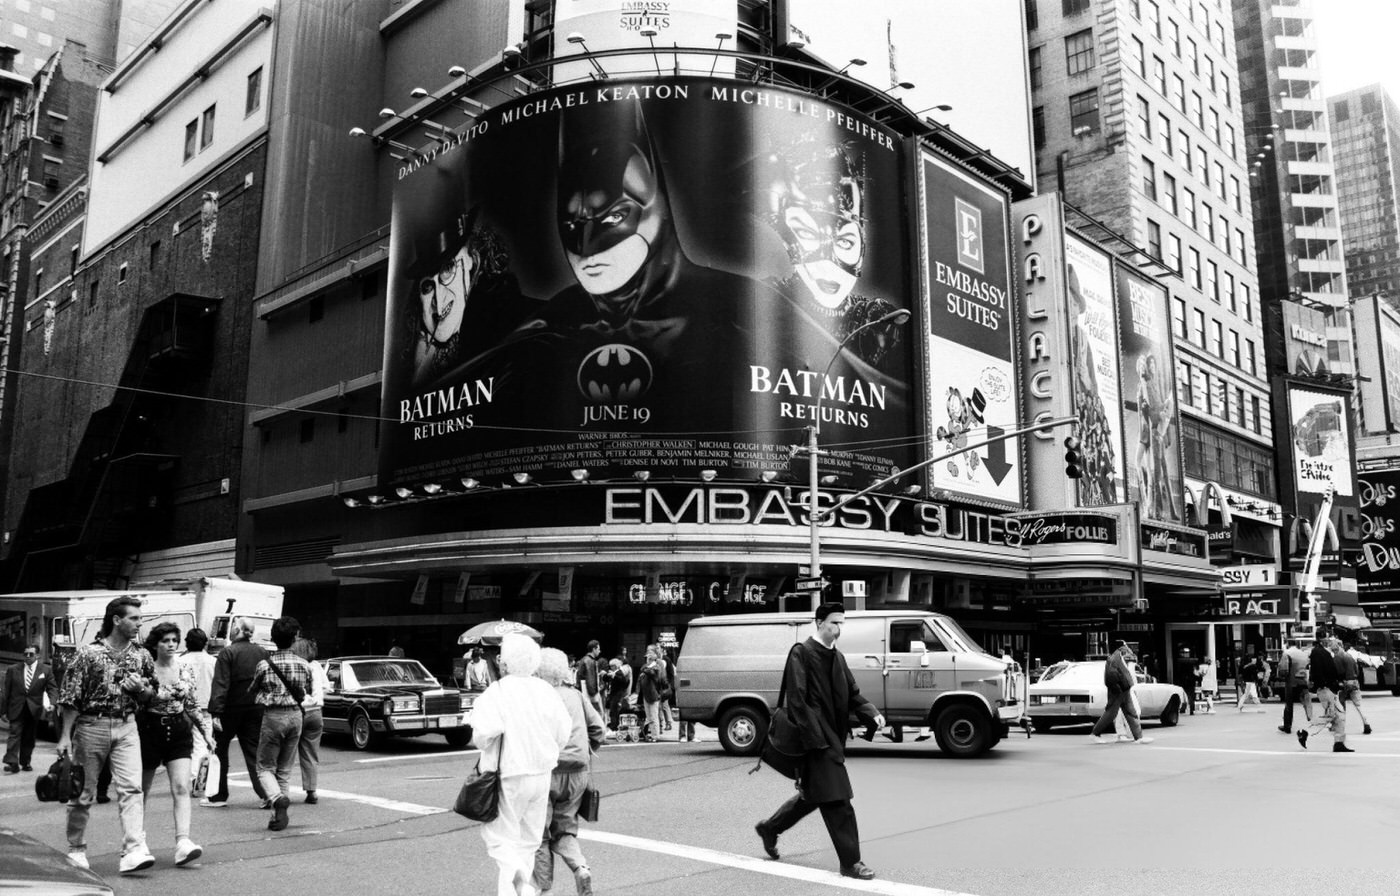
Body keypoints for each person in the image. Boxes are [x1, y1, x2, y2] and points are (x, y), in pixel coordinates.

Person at [754, 602, 884, 881]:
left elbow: (852, 694)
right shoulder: (801, 653)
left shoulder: (837, 657)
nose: (839, 629)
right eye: (834, 623)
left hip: (831, 738)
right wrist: (818, 741)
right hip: (814, 740)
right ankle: (851, 862)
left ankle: (770, 828)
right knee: (838, 799)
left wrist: (872, 712)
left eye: (842, 623)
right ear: (819, 622)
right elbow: (797, 701)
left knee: (814, 795)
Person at [55, 596, 158, 873]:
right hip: (92, 726)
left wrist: (140, 689)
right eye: (134, 618)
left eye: (140, 618)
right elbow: (70, 698)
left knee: (132, 788)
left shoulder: (142, 655)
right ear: (116, 620)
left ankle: (133, 849)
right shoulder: (88, 654)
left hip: (127, 725)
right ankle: (76, 849)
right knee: (83, 792)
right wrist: (65, 737)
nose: (139, 623)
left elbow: (153, 694)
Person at [469, 633, 571, 896]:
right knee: (528, 841)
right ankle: (518, 889)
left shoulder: (498, 691)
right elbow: (563, 733)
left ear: (504, 662)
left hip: (509, 773)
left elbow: (483, 735)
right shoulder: (546, 691)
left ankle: (520, 884)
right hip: (541, 772)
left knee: (499, 838)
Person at [531, 647, 605, 896]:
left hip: (546, 772)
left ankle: (544, 889)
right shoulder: (576, 696)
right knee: (565, 829)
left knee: (540, 833)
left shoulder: (537, 697)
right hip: (578, 772)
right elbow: (598, 729)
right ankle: (580, 867)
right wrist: (587, 749)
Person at [139, 623, 213, 866]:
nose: (171, 645)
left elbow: (191, 703)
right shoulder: (146, 669)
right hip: (150, 729)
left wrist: (205, 731)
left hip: (179, 729)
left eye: (174, 640)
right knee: (142, 790)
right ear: (156, 644)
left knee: (181, 787)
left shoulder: (185, 668)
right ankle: (136, 840)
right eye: (165, 640)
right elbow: (139, 701)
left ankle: (183, 842)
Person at [250, 616, 314, 831]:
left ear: (273, 638)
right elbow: (308, 690)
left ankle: (277, 799)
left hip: (273, 716)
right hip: (296, 716)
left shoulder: (264, 665)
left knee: (264, 767)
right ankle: (277, 816)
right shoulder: (304, 665)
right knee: (284, 769)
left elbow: (253, 690)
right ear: (295, 638)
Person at [2, 642, 55, 773]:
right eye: (25, 654)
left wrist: (52, 703)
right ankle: (12, 762)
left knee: (29, 737)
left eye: (31, 654)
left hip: (34, 708)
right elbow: (6, 692)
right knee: (14, 733)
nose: (28, 656)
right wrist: (2, 710)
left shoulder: (45, 670)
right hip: (16, 707)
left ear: (37, 655)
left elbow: (52, 689)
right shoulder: (13, 669)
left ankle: (25, 762)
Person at [179, 628, 216, 799]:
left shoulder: (179, 661)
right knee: (201, 743)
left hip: (183, 708)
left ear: (187, 643)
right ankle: (197, 779)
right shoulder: (213, 662)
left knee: (183, 745)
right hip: (205, 706)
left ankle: (183, 778)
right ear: (205, 643)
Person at [1090, 642, 1152, 745]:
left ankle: (1138, 737)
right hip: (1119, 689)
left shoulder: (1117, 657)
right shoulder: (1117, 658)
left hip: (1123, 688)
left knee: (1130, 712)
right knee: (1111, 713)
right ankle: (1095, 733)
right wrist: (1120, 688)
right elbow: (1113, 676)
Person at [290, 632, 326, 803]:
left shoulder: (294, 665)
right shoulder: (317, 666)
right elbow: (326, 687)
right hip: (316, 712)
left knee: (286, 754)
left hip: (297, 710)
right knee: (310, 754)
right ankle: (311, 791)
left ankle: (280, 791)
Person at [1299, 637, 1351, 752]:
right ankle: (1304, 731)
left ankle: (1338, 742)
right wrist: (1324, 684)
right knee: (1334, 716)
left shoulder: (1320, 653)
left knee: (1337, 716)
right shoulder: (1321, 653)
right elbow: (1321, 671)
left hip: (1326, 688)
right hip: (1326, 689)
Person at [1336, 642, 1372, 736]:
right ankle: (1366, 724)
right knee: (1358, 705)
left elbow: (1339, 671)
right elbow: (1357, 671)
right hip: (1354, 682)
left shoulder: (1337, 657)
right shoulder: (1350, 657)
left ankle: (1340, 727)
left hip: (1344, 683)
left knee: (1341, 706)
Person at [1278, 640, 1313, 734]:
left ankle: (1287, 726)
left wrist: (1282, 677)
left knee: (1289, 705)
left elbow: (1283, 669)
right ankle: (1311, 720)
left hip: (1291, 681)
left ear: (1288, 644)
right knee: (1306, 702)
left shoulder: (1287, 653)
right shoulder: (1303, 654)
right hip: (1303, 680)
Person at [638, 646, 667, 742]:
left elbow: (650, 672)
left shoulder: (656, 666)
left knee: (654, 716)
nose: (648, 656)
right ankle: (653, 735)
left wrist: (647, 666)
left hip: (654, 694)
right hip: (646, 694)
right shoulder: (646, 666)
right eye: (647, 654)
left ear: (655, 655)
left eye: (650, 654)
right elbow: (642, 669)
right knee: (649, 717)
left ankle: (655, 736)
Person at [605, 657, 631, 733]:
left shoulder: (619, 673)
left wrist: (614, 676)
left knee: (614, 711)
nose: (611, 667)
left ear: (615, 666)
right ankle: (613, 726)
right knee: (613, 710)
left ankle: (614, 727)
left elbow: (624, 681)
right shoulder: (615, 673)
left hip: (617, 694)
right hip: (614, 694)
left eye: (612, 666)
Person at [577, 640, 603, 717]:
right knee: (599, 714)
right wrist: (594, 695)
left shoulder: (584, 659)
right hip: (591, 693)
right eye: (598, 649)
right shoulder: (590, 661)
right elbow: (590, 679)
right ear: (594, 649)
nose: (599, 651)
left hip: (584, 692)